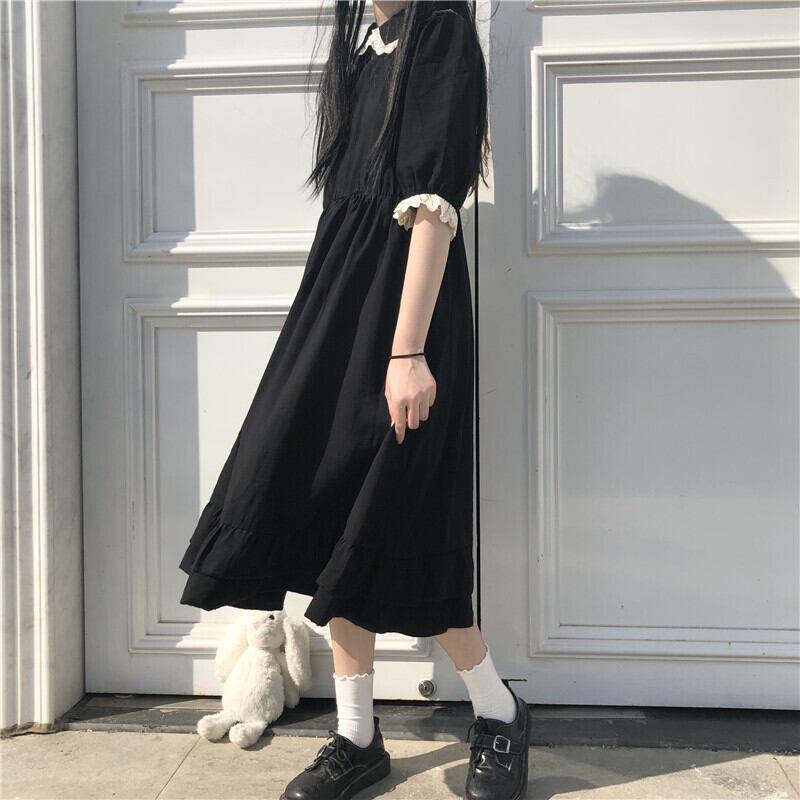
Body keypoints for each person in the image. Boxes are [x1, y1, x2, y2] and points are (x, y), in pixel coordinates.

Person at [177, 2, 529, 798]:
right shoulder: (365, 51)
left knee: (402, 518)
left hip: (404, 319)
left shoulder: (439, 34)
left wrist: (407, 352)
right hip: (339, 308)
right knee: (328, 507)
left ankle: (498, 709)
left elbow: (433, 206)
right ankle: (357, 736)